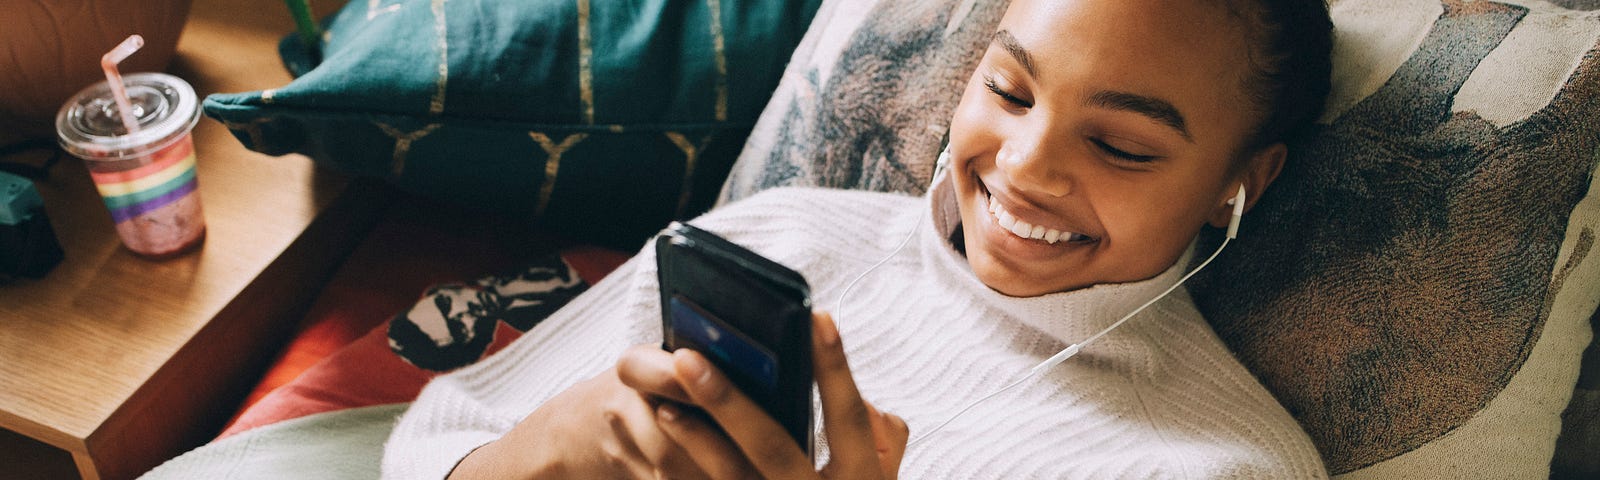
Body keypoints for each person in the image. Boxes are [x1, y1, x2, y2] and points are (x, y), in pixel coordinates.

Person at [383, 0, 1335, 478]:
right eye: (1008, 90)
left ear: (1238, 184)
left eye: (1121, 145)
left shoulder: (1216, 467)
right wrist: (547, 450)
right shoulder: (784, 238)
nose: (1027, 167)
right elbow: (430, 439)